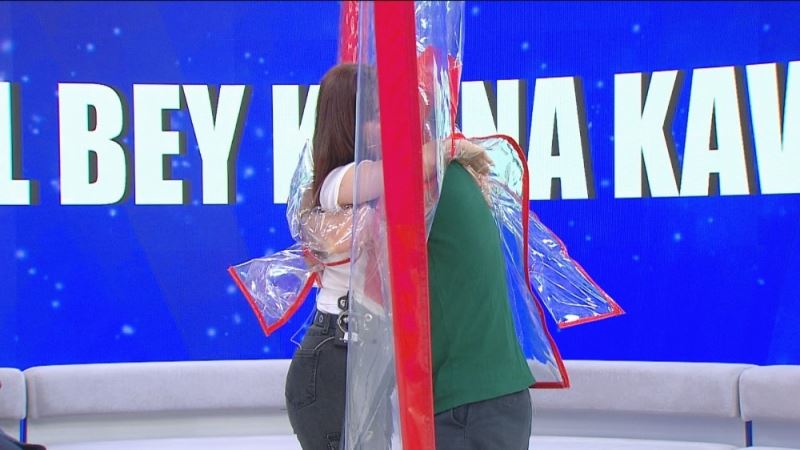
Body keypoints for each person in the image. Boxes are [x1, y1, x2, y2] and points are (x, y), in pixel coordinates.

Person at [284, 62, 530, 449]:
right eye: (375, 115)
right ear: (348, 122)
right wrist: (448, 148)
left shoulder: (414, 184)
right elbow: (393, 175)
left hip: (367, 365)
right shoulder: (340, 181)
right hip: (335, 361)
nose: (391, 123)